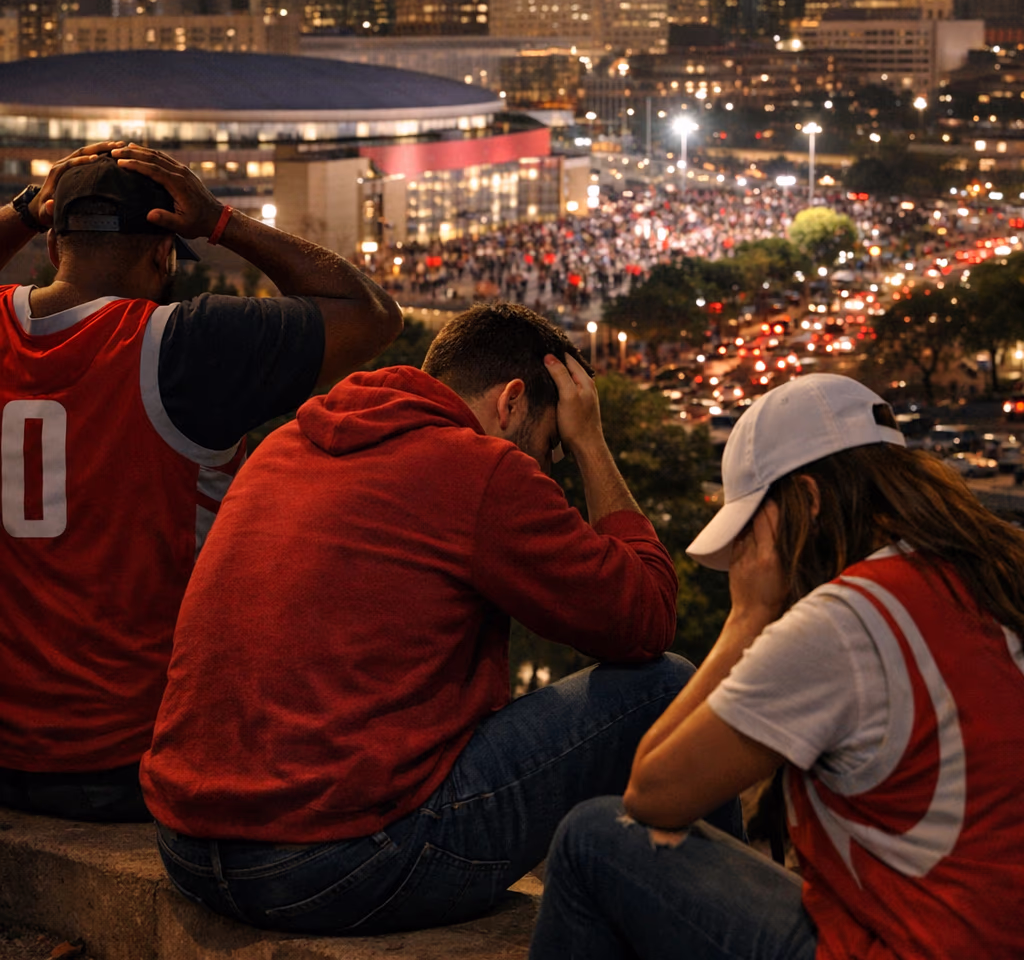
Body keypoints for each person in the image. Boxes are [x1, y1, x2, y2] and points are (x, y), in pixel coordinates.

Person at [141, 302, 730, 934]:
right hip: (331, 866)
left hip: (187, 845)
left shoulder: (284, 445)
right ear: (511, 402)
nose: (548, 468)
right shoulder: (481, 468)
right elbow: (647, 614)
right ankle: (726, 927)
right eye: (550, 444)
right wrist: (591, 443)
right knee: (667, 686)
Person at [531, 372, 1024, 960]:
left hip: (908, 946)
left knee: (593, 839)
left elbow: (652, 793)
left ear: (807, 504)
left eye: (749, 534)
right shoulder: (989, 574)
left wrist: (748, 615)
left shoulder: (847, 620)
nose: (745, 557)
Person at [0, 141, 402, 823]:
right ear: (163, 254)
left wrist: (22, 211)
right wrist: (221, 223)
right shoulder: (182, 345)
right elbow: (369, 314)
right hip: (135, 755)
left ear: (51, 250)